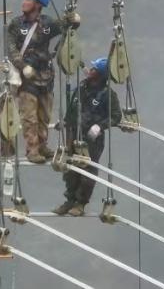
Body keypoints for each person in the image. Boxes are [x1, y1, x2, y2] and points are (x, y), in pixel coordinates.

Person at [6, 0, 79, 163]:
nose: (24, 2)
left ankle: (42, 145)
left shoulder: (47, 23)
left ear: (38, 4)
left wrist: (73, 20)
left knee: (44, 115)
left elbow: (65, 26)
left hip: (45, 76)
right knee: (29, 116)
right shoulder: (16, 24)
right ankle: (32, 150)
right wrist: (22, 66)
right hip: (27, 77)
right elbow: (11, 48)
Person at [54, 57, 123, 217]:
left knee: (87, 171)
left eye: (94, 69)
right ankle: (69, 200)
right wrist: (64, 122)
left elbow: (116, 116)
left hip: (92, 138)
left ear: (100, 74)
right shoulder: (81, 88)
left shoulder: (107, 94)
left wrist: (100, 126)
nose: (90, 71)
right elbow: (72, 109)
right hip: (74, 133)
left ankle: (80, 203)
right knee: (70, 169)